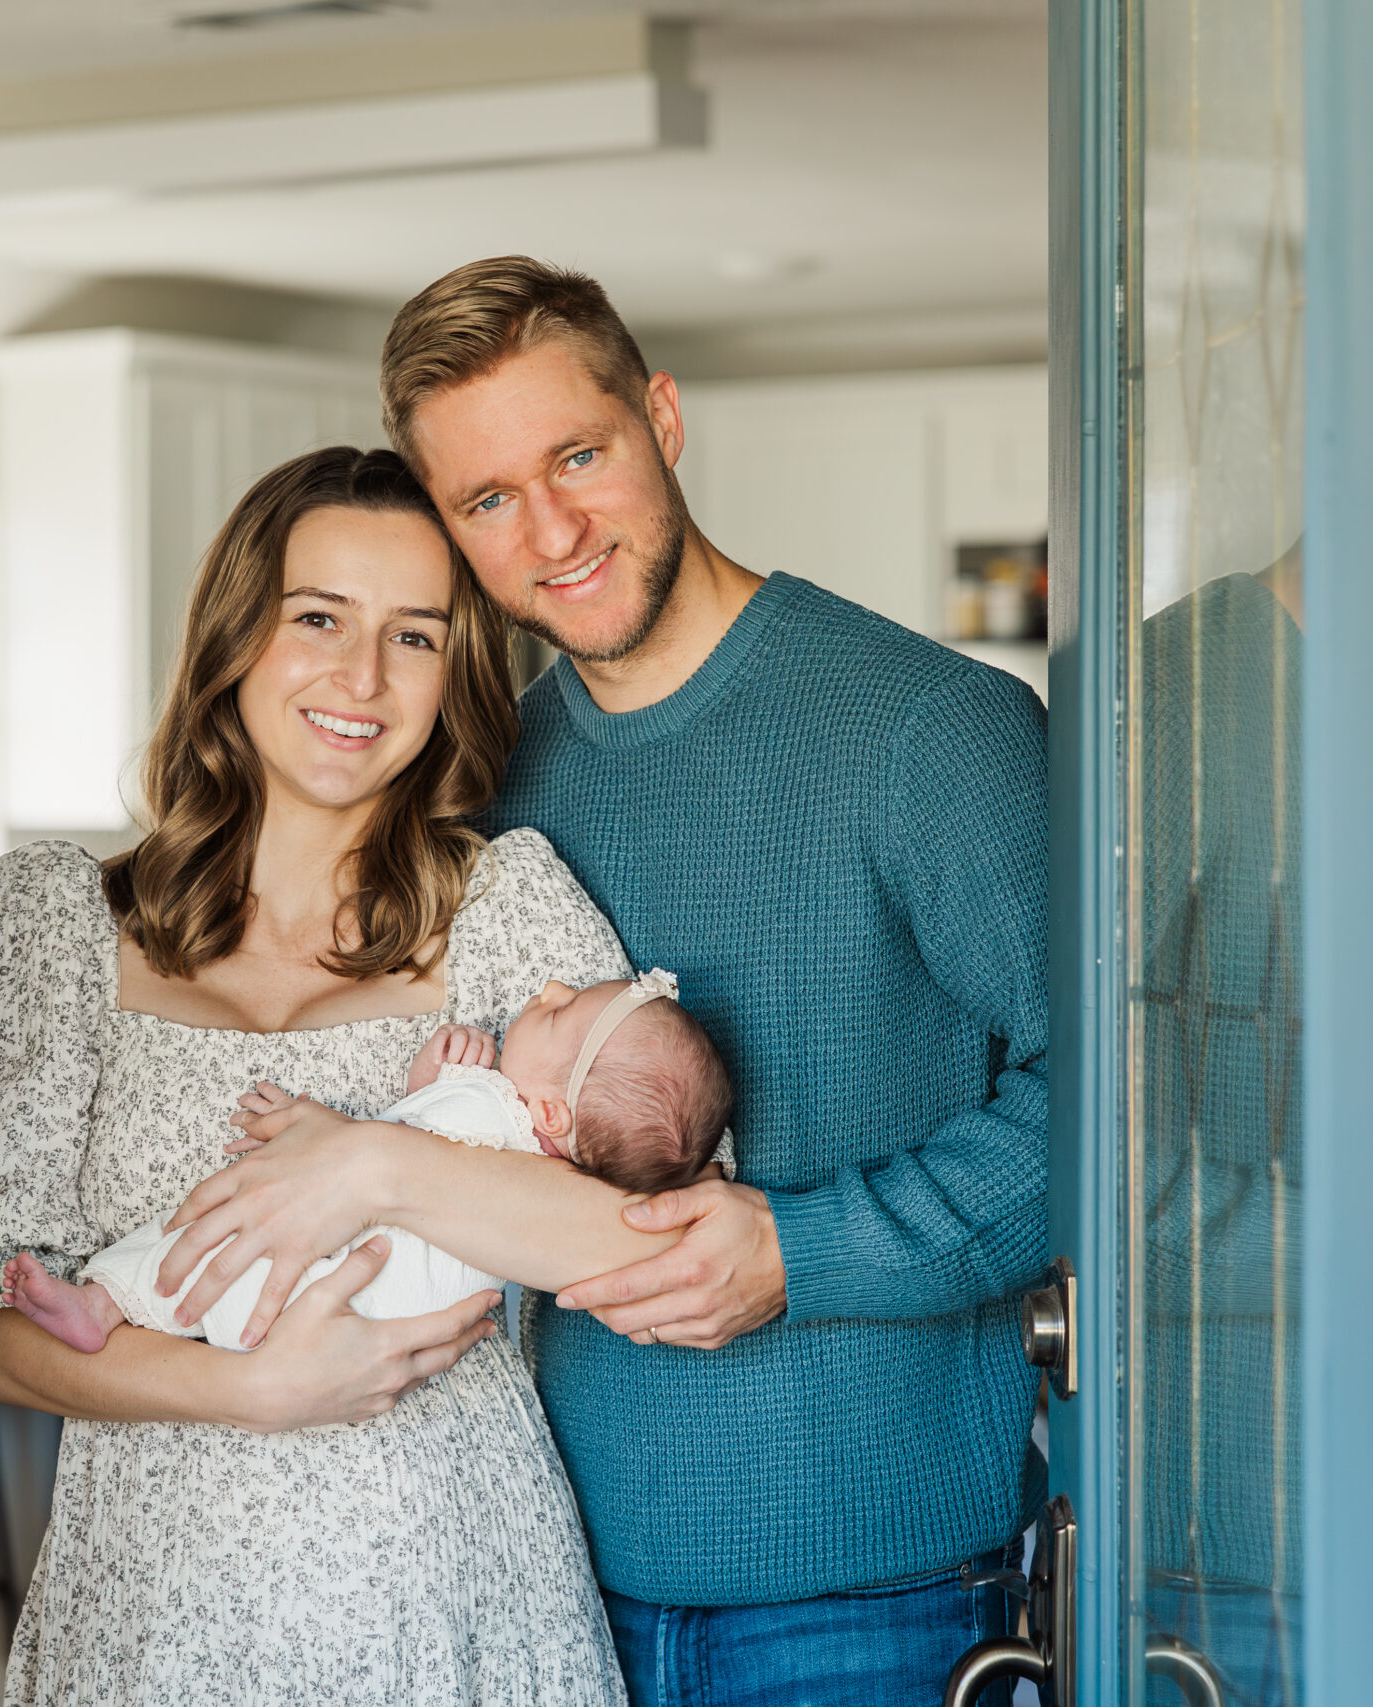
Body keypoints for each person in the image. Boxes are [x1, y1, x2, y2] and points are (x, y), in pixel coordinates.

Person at [161, 258, 1049, 1704]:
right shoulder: (485, 776)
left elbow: (1125, 1104)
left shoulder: (931, 732)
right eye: (487, 499)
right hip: (538, 1591)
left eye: (579, 455)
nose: (553, 530)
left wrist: (799, 1247)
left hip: (873, 1606)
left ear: (664, 417)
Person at [0, 444, 689, 1705]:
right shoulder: (54, 924)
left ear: (457, 672)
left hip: (453, 1581)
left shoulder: (505, 904)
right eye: (318, 619)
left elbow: (646, 1233)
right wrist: (249, 1389)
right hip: (154, 1601)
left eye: (415, 636)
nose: (361, 678)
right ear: (235, 637)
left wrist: (373, 1163)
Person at [3, 968, 732, 1353]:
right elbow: (408, 1152)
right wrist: (428, 1084)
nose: (547, 990)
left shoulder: (489, 1114)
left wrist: (314, 1126)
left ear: (550, 1115)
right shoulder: (529, 1164)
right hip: (374, 1309)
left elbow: (376, 1152)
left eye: (558, 1013)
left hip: (325, 1284)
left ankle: (103, 1302)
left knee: (213, 1224)